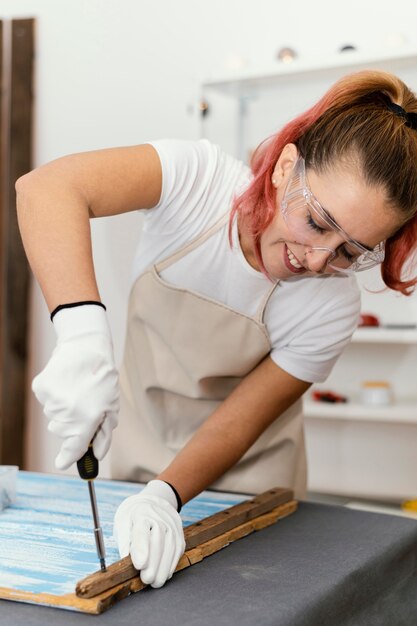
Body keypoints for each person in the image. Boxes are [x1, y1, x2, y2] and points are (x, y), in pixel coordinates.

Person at [16, 69, 417, 589]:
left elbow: (237, 423)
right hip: (137, 458)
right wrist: (81, 332)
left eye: (350, 252)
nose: (318, 261)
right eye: (318, 223)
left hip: (253, 496)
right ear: (286, 168)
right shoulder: (196, 182)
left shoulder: (331, 307)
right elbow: (47, 187)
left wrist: (167, 495)